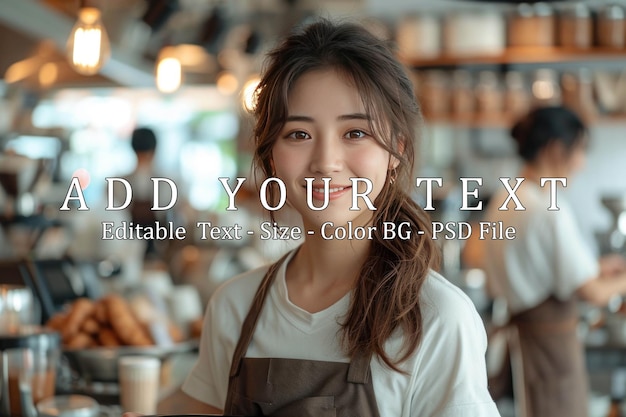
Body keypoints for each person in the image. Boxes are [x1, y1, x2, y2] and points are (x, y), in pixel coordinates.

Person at [153, 19, 499, 416]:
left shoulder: (436, 318)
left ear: (396, 151)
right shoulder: (234, 306)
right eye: (299, 134)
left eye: (355, 133)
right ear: (271, 158)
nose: (326, 163)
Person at [481, 105, 626, 417]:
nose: (583, 163)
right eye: (580, 151)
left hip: (526, 338)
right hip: (551, 348)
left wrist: (598, 268)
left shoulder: (508, 197)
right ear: (555, 150)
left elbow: (538, 265)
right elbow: (595, 293)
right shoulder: (547, 209)